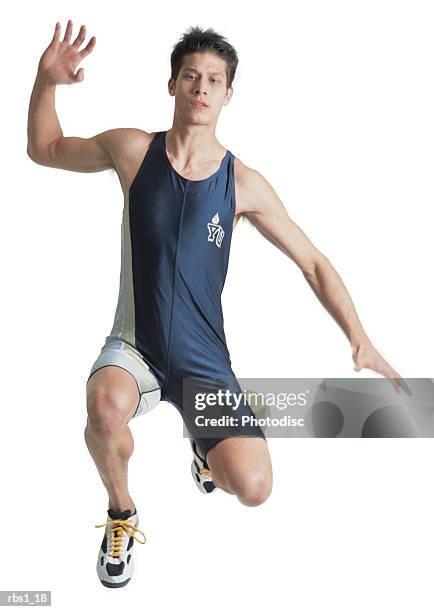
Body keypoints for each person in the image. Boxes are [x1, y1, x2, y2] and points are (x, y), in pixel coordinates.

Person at [27, 20, 411, 589]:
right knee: (104, 409)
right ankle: (122, 512)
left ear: (229, 93)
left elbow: (315, 263)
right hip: (136, 348)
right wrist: (45, 81)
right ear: (173, 85)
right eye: (190, 77)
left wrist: (360, 338)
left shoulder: (243, 184)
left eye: (213, 80)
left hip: (204, 364)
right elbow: (46, 149)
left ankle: (205, 454)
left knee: (254, 488)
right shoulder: (133, 152)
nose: (201, 88)